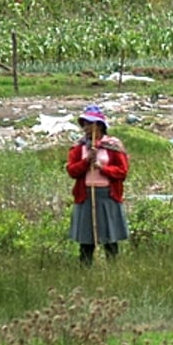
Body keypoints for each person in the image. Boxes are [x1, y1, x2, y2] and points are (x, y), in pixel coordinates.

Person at [66, 105, 130, 266]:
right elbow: (72, 171)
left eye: (90, 124)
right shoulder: (79, 147)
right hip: (85, 195)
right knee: (86, 238)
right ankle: (85, 268)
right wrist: (86, 161)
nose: (86, 128)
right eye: (85, 124)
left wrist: (102, 167)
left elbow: (122, 172)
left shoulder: (112, 146)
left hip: (108, 195)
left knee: (110, 236)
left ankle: (113, 268)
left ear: (99, 126)